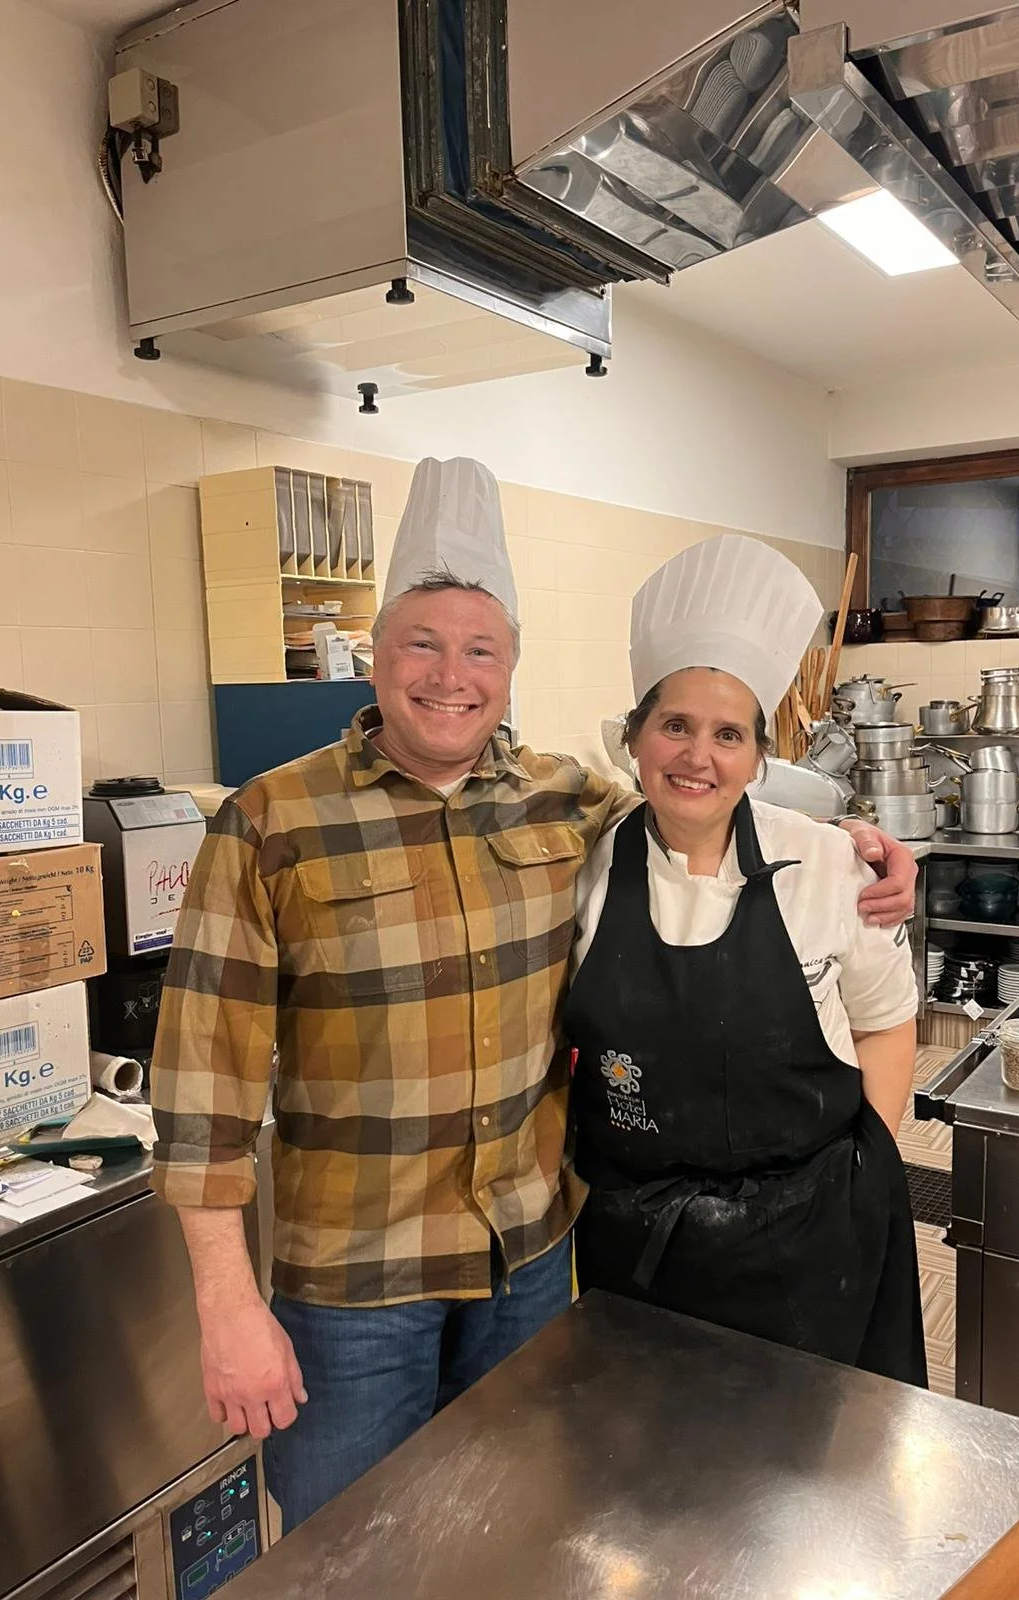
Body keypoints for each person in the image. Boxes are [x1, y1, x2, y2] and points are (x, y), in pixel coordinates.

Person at [150, 459, 922, 1533]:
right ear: (376, 654)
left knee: (515, 1532)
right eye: (422, 642)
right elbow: (202, 1089)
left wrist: (857, 843)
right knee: (355, 1547)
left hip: (530, 1258)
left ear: (512, 668)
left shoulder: (563, 801)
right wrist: (227, 1305)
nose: (449, 676)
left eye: (481, 649)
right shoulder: (270, 820)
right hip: (355, 1288)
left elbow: (697, 796)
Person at [564, 533, 927, 1384]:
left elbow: (886, 1020)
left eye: (729, 734)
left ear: (760, 759)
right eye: (676, 726)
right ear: (634, 738)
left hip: (818, 1237)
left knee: (824, 1483)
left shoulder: (830, 863)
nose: (699, 757)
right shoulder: (579, 868)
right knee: (652, 1479)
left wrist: (866, 1167)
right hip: (641, 1244)